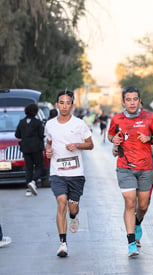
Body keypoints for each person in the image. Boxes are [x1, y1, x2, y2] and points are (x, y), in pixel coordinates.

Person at [108, 86, 153, 257]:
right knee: (130, 202)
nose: (132, 102)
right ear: (123, 102)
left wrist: (150, 138)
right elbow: (111, 136)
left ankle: (138, 222)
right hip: (124, 166)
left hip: (146, 167)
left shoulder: (149, 117)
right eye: (128, 99)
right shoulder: (116, 119)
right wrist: (114, 140)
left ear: (140, 101)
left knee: (143, 205)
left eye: (135, 99)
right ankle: (131, 243)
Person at [45, 90, 94, 257]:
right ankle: (63, 244)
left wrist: (77, 145)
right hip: (57, 172)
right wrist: (48, 151)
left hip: (75, 173)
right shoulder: (50, 124)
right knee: (61, 202)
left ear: (72, 105)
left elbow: (90, 144)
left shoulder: (79, 124)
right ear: (57, 104)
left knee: (72, 207)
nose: (64, 106)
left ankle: (73, 216)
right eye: (61, 102)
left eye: (68, 103)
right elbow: (48, 142)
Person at [15, 103, 45, 197]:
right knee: (39, 166)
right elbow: (41, 135)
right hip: (36, 148)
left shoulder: (21, 122)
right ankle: (33, 181)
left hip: (25, 148)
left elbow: (17, 135)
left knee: (29, 168)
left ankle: (28, 190)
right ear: (35, 112)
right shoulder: (38, 123)